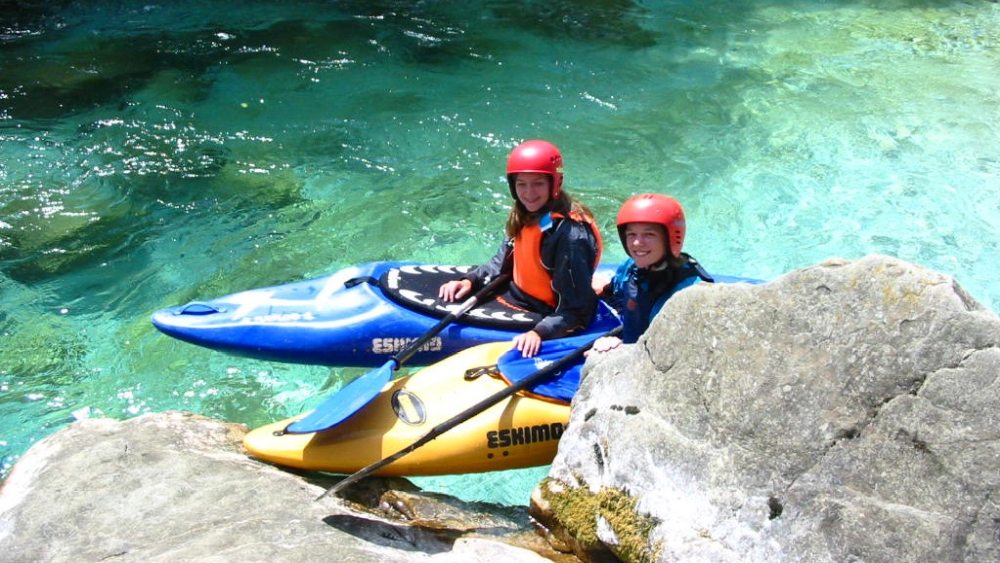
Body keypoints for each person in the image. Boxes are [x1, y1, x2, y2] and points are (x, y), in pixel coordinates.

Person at [439, 140, 603, 358]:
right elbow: (502, 261)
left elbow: (578, 309)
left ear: (554, 183)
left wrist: (540, 333)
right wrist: (470, 280)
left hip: (547, 313)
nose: (529, 192)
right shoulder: (528, 214)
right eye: (521, 184)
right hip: (516, 294)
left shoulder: (570, 236)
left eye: (538, 183)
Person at [589, 193, 713, 354]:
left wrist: (619, 350)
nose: (637, 243)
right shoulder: (631, 268)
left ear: (670, 238)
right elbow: (616, 294)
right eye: (631, 234)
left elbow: (681, 353)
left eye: (649, 234)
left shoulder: (691, 292)